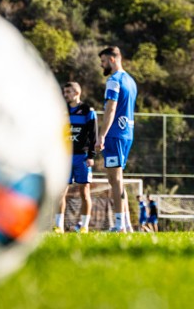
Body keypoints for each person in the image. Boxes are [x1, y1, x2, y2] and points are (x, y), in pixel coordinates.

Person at [96, 46, 138, 233]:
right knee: (118, 179)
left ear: (112, 59)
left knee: (114, 179)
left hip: (114, 134)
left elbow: (110, 109)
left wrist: (102, 135)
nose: (102, 64)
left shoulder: (114, 80)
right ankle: (126, 224)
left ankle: (120, 224)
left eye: (103, 61)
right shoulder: (131, 81)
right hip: (127, 132)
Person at [54, 81, 98, 234]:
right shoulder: (61, 110)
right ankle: (58, 226)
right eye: (64, 92)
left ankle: (84, 226)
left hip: (82, 157)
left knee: (84, 192)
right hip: (64, 158)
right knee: (60, 192)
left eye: (68, 92)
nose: (65, 95)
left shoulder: (87, 111)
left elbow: (93, 135)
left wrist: (91, 155)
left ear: (76, 93)